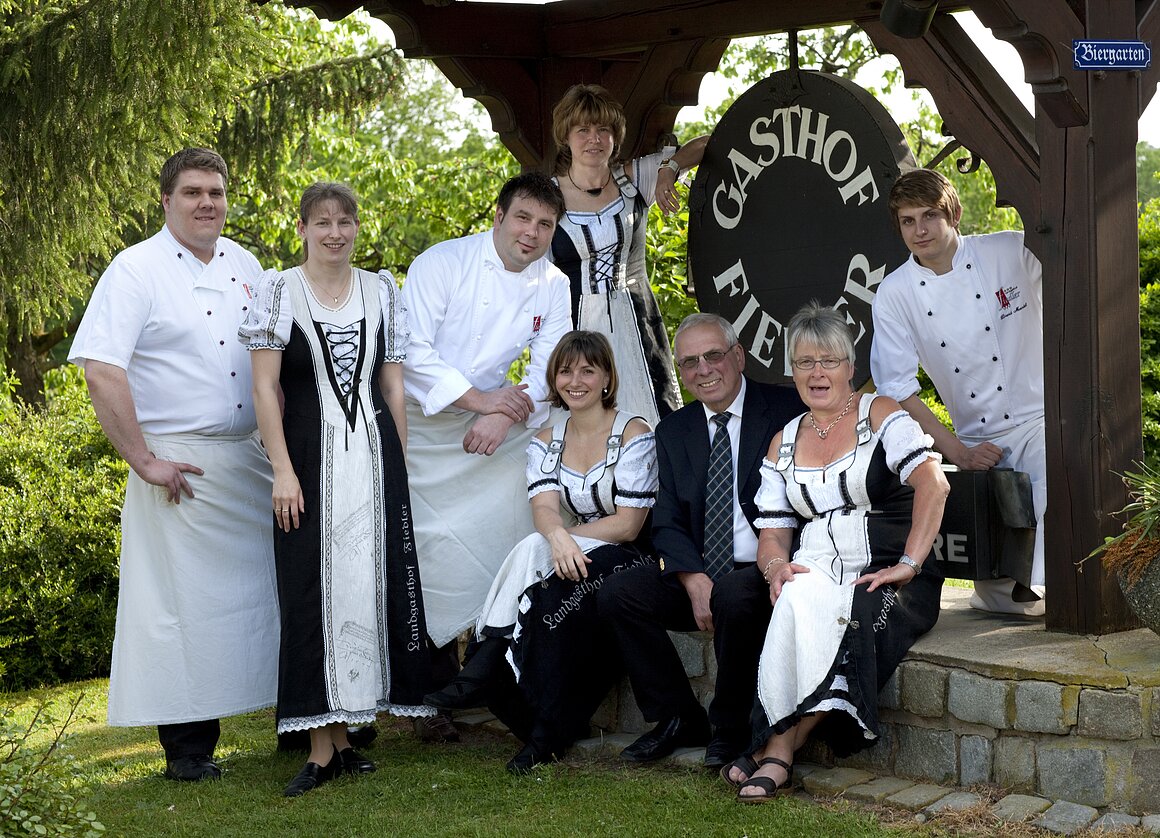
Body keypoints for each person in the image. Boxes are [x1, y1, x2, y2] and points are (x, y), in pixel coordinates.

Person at [68, 148, 279, 782]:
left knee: (271, 596)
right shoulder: (135, 270)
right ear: (166, 201)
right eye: (192, 193)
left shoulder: (247, 265)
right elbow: (102, 370)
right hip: (178, 465)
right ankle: (189, 750)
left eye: (215, 191)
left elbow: (275, 361)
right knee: (182, 609)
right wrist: (143, 459)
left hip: (251, 458)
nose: (206, 203)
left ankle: (302, 722)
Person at [239, 183, 434, 797]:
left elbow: (393, 387)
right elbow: (265, 390)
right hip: (306, 463)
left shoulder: (381, 290)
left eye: (345, 221)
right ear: (302, 228)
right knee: (307, 592)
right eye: (321, 222)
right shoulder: (277, 291)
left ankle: (346, 739)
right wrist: (282, 470)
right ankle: (319, 748)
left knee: (362, 591)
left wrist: (397, 468)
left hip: (374, 466)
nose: (334, 233)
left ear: (356, 226)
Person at [722, 302, 948, 803]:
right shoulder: (783, 441)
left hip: (890, 569)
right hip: (820, 566)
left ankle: (774, 749)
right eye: (804, 362)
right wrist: (776, 567)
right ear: (793, 372)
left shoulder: (882, 415)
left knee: (856, 618)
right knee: (795, 601)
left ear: (850, 367)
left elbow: (934, 485)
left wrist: (910, 563)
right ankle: (778, 749)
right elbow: (774, 531)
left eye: (828, 360)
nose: (817, 372)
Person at [423, 331, 657, 772]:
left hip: (630, 558)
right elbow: (545, 509)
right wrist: (559, 537)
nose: (576, 380)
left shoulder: (634, 431)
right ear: (554, 377)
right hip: (574, 553)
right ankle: (527, 710)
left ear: (607, 377)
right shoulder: (548, 436)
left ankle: (484, 661)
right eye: (566, 370)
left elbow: (628, 524)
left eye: (588, 370)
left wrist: (566, 537)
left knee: (540, 563)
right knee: (539, 559)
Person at [402, 172, 572, 741]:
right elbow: (411, 353)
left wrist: (500, 414)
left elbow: (553, 367)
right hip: (422, 426)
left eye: (545, 224)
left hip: (495, 424)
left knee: (524, 517)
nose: (532, 233)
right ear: (497, 216)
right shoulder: (441, 263)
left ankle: (499, 660)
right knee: (422, 552)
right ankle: (429, 698)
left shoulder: (553, 282)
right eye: (523, 218)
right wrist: (479, 402)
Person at [597, 313, 804, 770]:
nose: (703, 369)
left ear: (738, 356)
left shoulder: (787, 411)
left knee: (733, 594)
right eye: (689, 362)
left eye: (713, 356)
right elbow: (666, 520)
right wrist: (690, 577)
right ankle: (677, 717)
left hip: (768, 567)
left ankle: (731, 731)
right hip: (700, 566)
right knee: (619, 594)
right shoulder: (674, 429)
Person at [871, 168, 1045, 616]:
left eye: (930, 216)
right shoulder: (895, 293)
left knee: (1047, 530)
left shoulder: (1009, 249)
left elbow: (1070, 296)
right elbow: (896, 389)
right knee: (996, 579)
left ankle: (1044, 588)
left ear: (955, 213)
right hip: (975, 437)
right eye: (908, 221)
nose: (920, 230)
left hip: (1042, 418)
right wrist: (956, 451)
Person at [549, 83, 708, 427]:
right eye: (583, 130)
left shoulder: (633, 179)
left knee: (653, 416)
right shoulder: (548, 196)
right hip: (575, 329)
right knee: (584, 425)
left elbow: (708, 143)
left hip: (637, 322)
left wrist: (668, 167)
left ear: (615, 136)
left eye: (603, 129)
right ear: (566, 135)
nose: (594, 139)